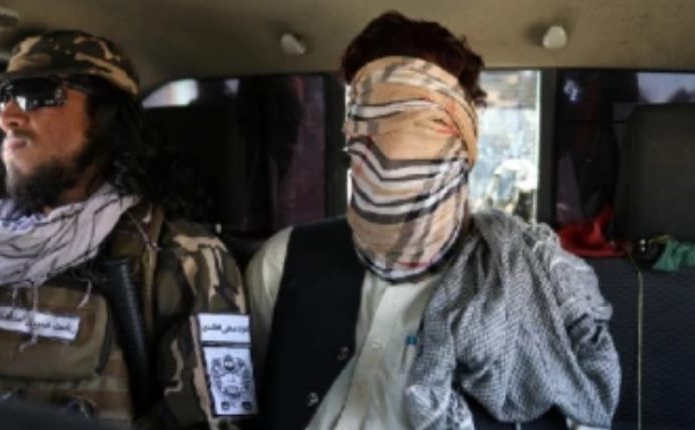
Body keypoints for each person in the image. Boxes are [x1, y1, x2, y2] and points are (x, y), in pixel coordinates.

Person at [247, 11, 620, 430]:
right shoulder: (283, 262)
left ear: (464, 140)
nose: (389, 150)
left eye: (415, 125)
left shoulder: (529, 285)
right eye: (369, 121)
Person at [0, 30, 256, 430]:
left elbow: (216, 421)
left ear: (106, 118)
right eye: (5, 97)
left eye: (36, 94)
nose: (6, 117)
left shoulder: (186, 256)